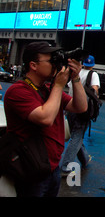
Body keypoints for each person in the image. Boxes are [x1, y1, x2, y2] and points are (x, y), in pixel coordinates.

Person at [3, 41, 87, 197]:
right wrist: (58, 85)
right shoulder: (18, 91)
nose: (55, 65)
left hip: (52, 167)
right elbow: (45, 118)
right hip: (32, 169)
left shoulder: (48, 89)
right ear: (33, 65)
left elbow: (80, 107)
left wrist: (75, 79)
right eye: (51, 60)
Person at [60, 55, 100, 176]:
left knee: (77, 135)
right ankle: (65, 166)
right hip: (83, 109)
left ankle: (84, 159)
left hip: (71, 106)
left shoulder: (77, 73)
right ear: (92, 65)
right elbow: (95, 90)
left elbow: (69, 87)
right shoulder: (93, 75)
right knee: (77, 137)